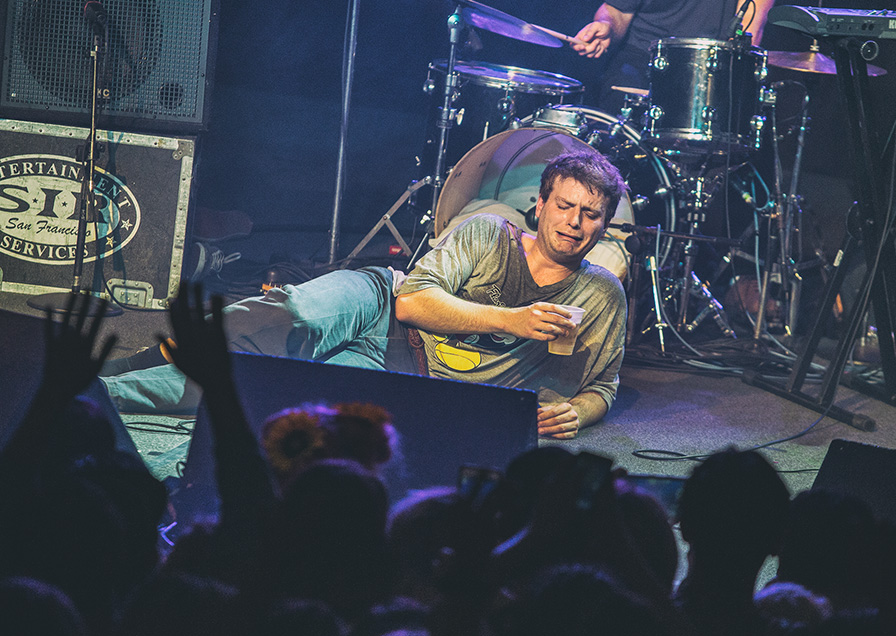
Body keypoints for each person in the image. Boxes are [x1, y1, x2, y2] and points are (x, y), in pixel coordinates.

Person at [102, 150, 628, 439]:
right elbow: (412, 303)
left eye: (591, 214)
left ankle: (98, 396)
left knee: (275, 394)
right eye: (564, 206)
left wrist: (579, 412)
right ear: (540, 205)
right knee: (295, 316)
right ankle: (136, 363)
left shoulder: (601, 295)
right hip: (383, 305)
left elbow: (603, 385)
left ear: (605, 224)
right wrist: (510, 320)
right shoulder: (491, 231)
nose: (574, 223)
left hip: (411, 373)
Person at [571, 0, 775, 112]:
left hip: (708, 67)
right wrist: (606, 26)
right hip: (642, 57)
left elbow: (750, 28)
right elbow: (617, 11)